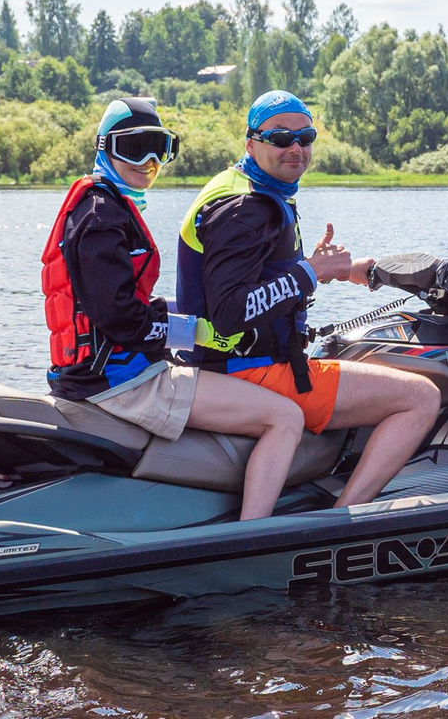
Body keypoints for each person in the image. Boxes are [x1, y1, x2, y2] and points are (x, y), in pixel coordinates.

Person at [43, 96, 310, 522]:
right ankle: (252, 535)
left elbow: (115, 306)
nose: (149, 161)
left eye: (160, 148)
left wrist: (183, 319)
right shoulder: (101, 217)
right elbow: (120, 318)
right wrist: (195, 332)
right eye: (134, 148)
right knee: (285, 417)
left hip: (104, 372)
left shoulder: (104, 204)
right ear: (104, 147)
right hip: (119, 382)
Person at [173, 89, 440, 508]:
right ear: (252, 143)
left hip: (240, 364)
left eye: (306, 136)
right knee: (421, 396)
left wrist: (344, 271)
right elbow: (229, 313)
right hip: (248, 370)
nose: (295, 148)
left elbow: (260, 273)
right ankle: (343, 520)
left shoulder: (247, 187)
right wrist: (310, 272)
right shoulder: (245, 208)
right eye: (280, 139)